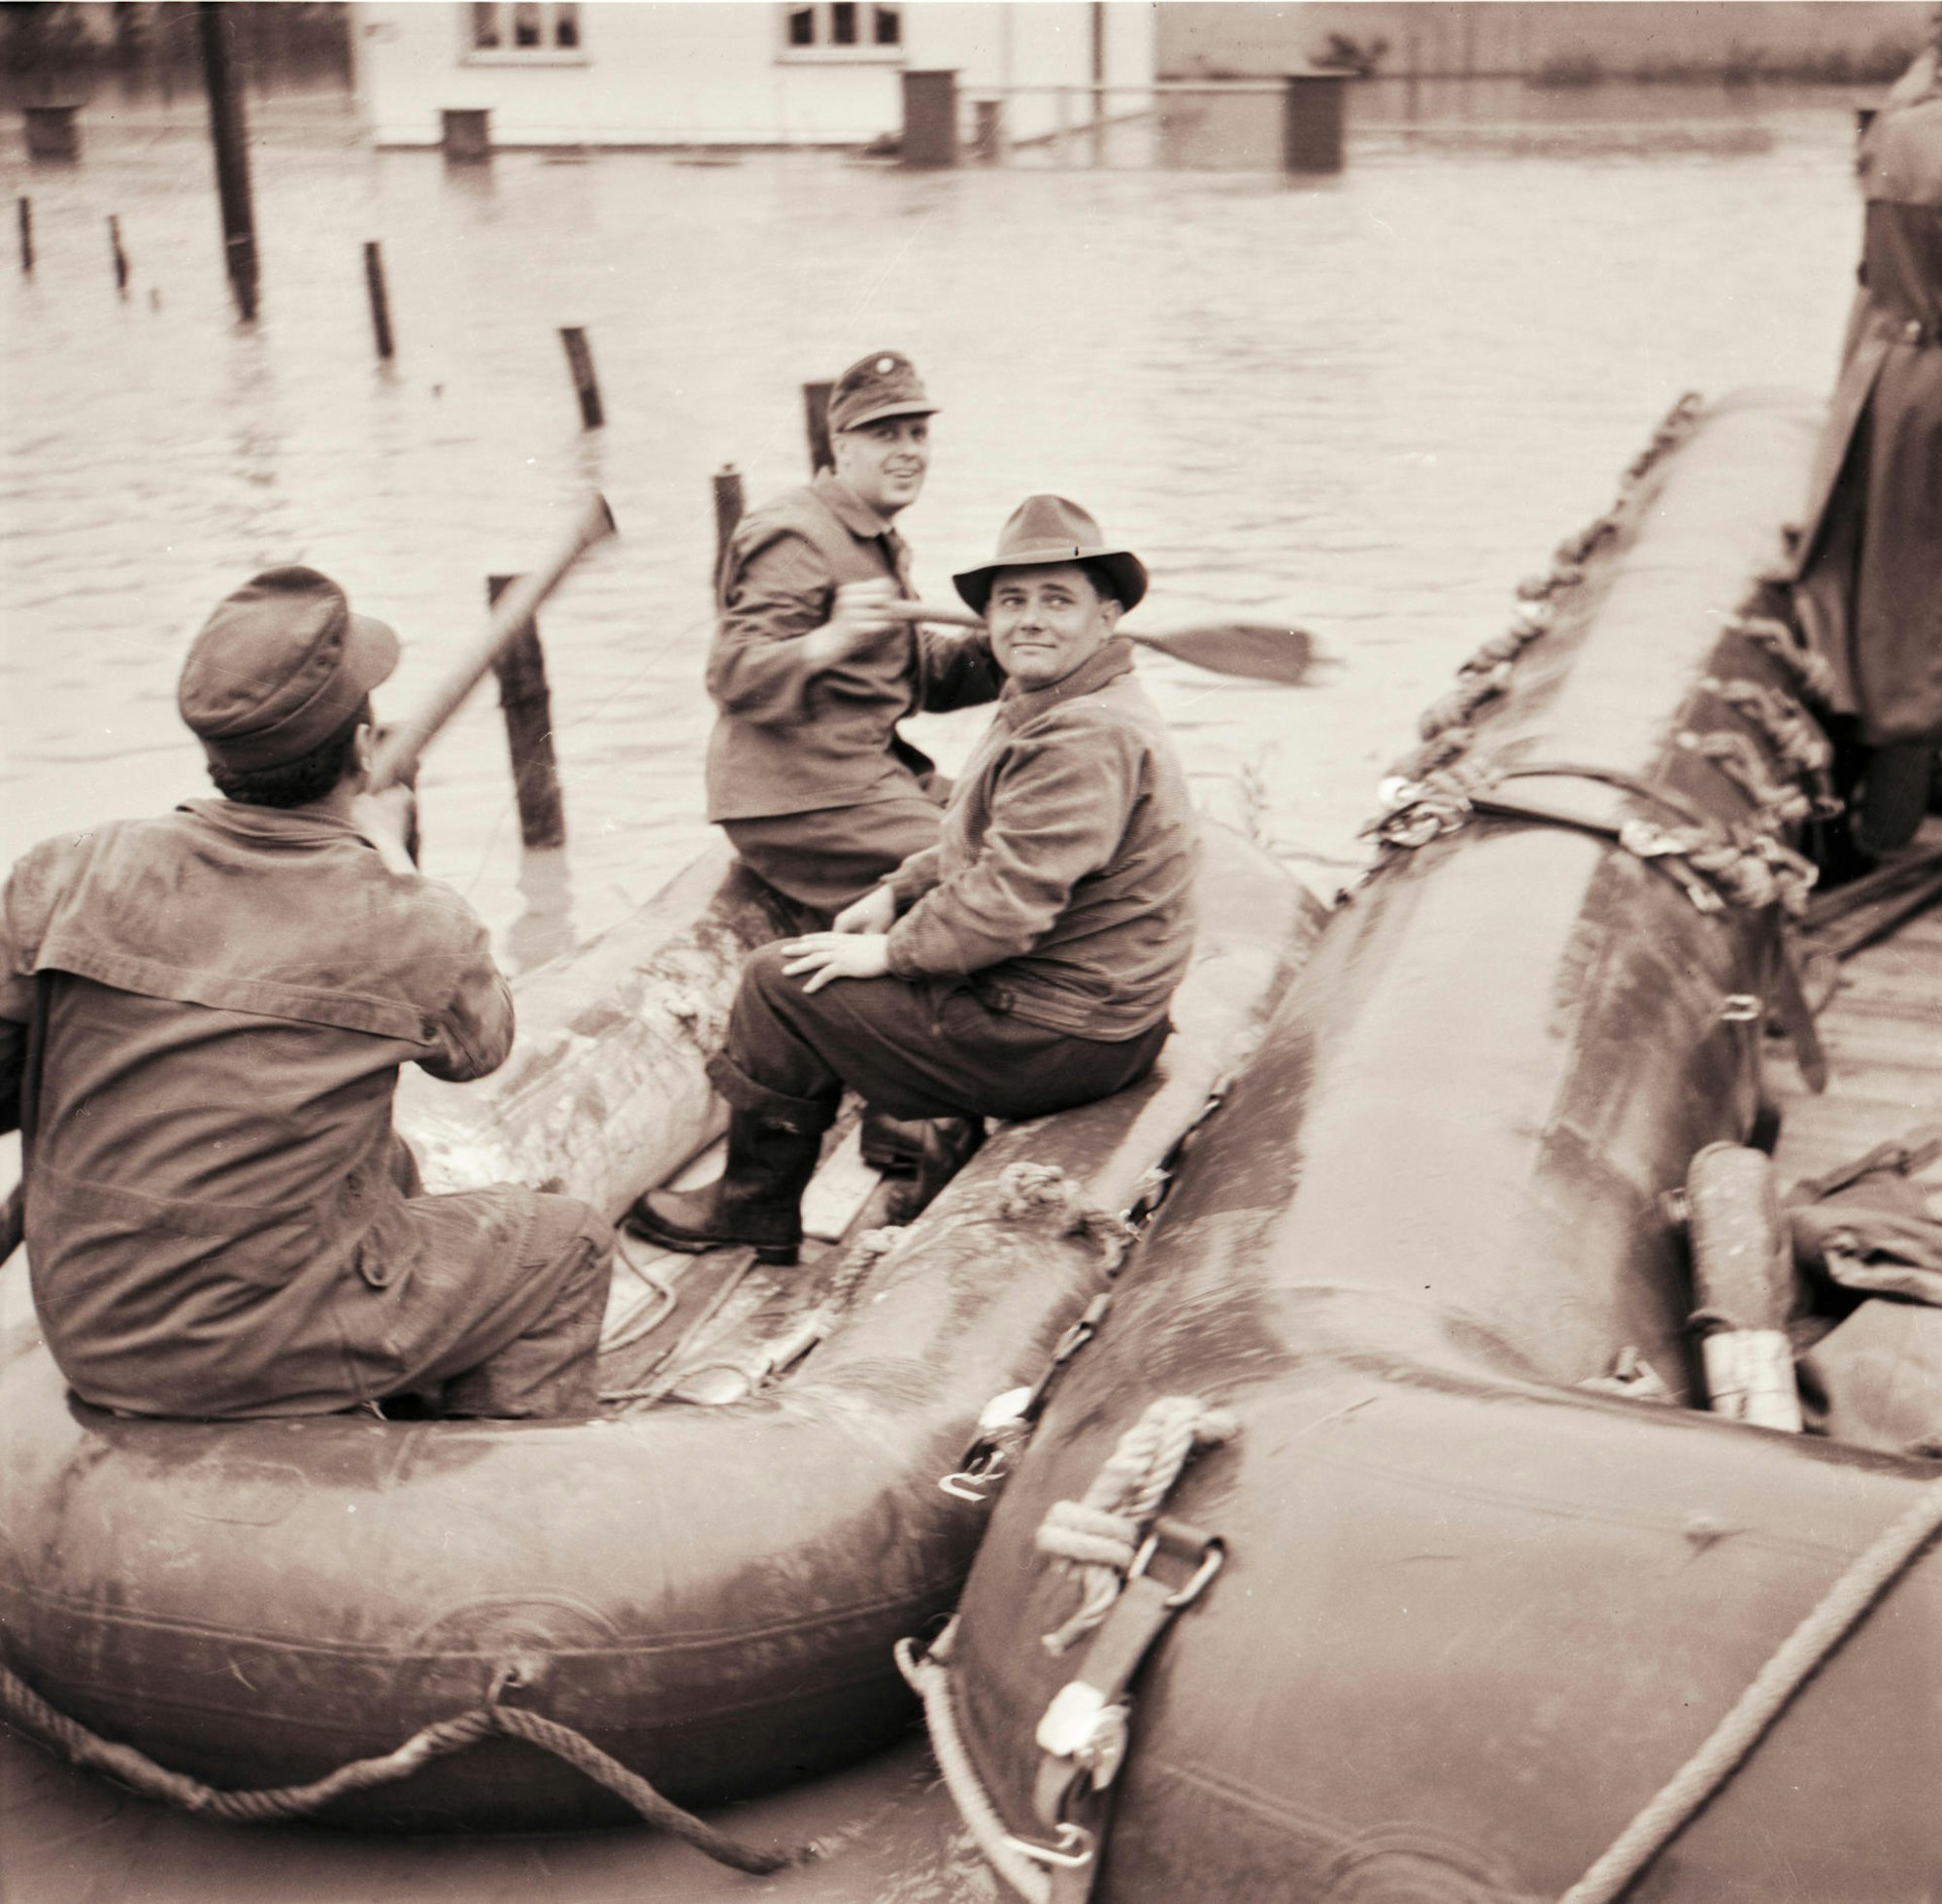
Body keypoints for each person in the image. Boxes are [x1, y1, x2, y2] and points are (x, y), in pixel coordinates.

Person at [0, 567, 614, 1420]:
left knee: (389, 1164)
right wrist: (389, 852)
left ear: (217, 754)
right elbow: (482, 1047)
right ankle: (492, 1480)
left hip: (91, 1328)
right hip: (251, 1339)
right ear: (363, 750)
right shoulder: (409, 918)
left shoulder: (64, 870)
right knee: (569, 1241)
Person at [629, 497, 1199, 1264]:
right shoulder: (1056, 698)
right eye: (1012, 601)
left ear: (1106, 618)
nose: (1030, 620)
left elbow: (1004, 906)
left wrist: (892, 952)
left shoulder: (1084, 733)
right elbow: (982, 837)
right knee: (869, 957)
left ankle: (750, 1205)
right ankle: (930, 1144)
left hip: (1063, 1037)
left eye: (1056, 600)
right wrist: (897, 891)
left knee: (777, 984)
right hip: (1103, 1020)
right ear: (989, 620)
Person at [704, 350, 1003, 919]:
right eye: (886, 434)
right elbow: (731, 673)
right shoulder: (796, 535)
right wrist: (828, 640)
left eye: (918, 434)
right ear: (842, 448)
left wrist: (1011, 646)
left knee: (1025, 826)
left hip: (862, 780)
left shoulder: (867, 534)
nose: (910, 450)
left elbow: (921, 676)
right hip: (802, 799)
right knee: (992, 869)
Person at [1791, 13, 1942, 862]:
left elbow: (1872, 273)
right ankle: (1889, 831)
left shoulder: (1899, 127)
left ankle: (1873, 826)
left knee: (1888, 601)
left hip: (1893, 375)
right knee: (1920, 617)